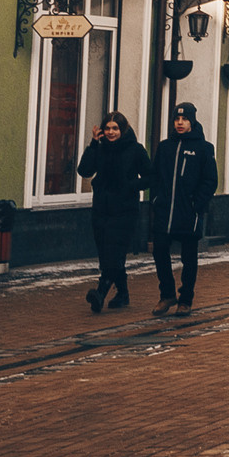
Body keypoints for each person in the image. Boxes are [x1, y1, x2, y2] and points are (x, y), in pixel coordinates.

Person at [149, 101, 220, 317]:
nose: (180, 123)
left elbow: (210, 180)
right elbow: (155, 176)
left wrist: (195, 204)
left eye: (185, 119)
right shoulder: (164, 147)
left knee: (189, 258)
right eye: (177, 119)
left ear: (192, 122)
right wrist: (156, 200)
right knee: (159, 251)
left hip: (189, 213)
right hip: (164, 212)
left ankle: (186, 299)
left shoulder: (204, 148)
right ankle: (167, 294)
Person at [77, 112, 152, 312]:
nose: (111, 132)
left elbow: (150, 177)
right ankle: (123, 294)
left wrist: (130, 186)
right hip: (101, 209)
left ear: (123, 129)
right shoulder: (100, 149)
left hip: (125, 210)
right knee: (107, 254)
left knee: (114, 252)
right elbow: (84, 170)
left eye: (115, 128)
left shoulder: (135, 150)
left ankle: (100, 293)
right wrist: (93, 144)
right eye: (108, 128)